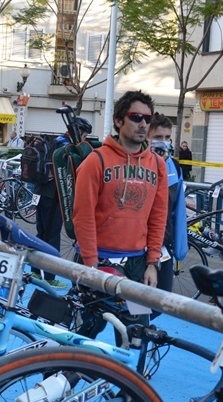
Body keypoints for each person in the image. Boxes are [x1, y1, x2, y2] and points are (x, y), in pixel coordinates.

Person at [73, 90, 169, 341]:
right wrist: (91, 264)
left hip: (137, 265)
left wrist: (153, 262)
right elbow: (83, 216)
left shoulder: (157, 165)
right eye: (136, 117)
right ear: (118, 120)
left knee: (136, 338)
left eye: (148, 119)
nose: (143, 124)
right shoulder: (95, 161)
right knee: (84, 335)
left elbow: (158, 216)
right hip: (98, 260)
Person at [31, 117, 93, 289]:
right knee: (52, 236)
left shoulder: (54, 142)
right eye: (84, 135)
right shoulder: (67, 147)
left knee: (41, 233)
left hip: (40, 192)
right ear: (78, 131)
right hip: (54, 195)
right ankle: (50, 277)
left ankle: (35, 270)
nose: (84, 139)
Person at [147, 114, 187, 311]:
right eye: (157, 137)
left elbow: (179, 211)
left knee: (161, 301)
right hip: (139, 248)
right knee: (138, 306)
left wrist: (179, 248)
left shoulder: (174, 167)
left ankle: (140, 326)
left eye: (167, 137)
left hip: (164, 246)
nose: (163, 142)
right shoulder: (137, 163)